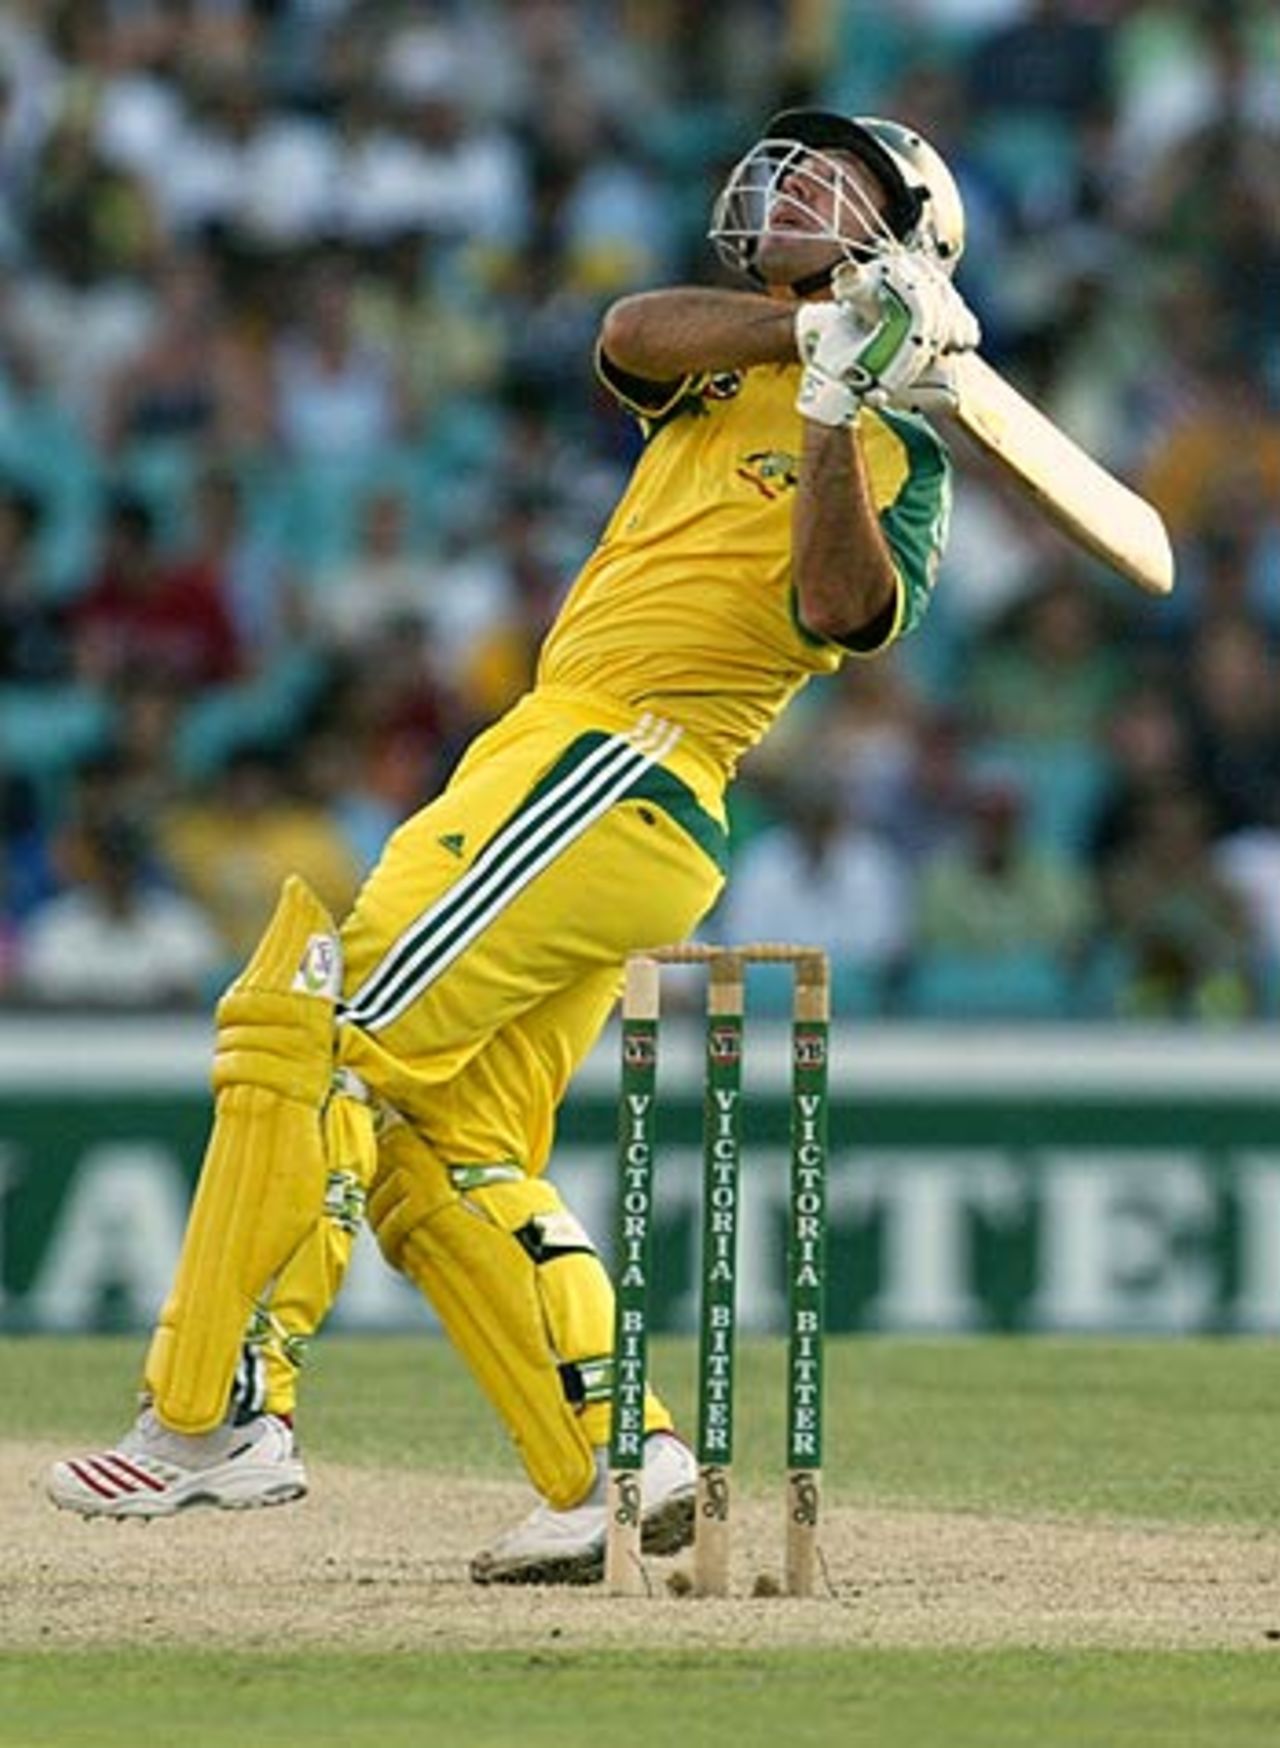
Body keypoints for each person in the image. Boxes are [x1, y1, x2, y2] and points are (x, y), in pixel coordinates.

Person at [47, 111, 976, 1584]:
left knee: (311, 1029)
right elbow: (628, 326)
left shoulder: (898, 455)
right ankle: (622, 1468)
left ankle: (214, 1411)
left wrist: (841, 408)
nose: (790, 182)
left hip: (625, 760)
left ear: (905, 232)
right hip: (568, 764)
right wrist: (817, 339)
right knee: (444, 1153)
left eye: (833, 179)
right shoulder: (725, 361)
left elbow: (845, 612)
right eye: (788, 167)